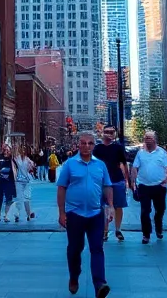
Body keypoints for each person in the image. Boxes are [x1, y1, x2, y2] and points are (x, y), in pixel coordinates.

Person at [57, 132, 113, 298]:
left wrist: (110, 206)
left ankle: (100, 284)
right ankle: (74, 276)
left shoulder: (100, 165)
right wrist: (61, 212)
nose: (87, 146)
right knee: (75, 249)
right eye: (83, 143)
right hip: (75, 214)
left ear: (94, 146)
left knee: (97, 248)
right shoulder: (70, 164)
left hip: (96, 213)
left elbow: (107, 186)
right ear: (78, 145)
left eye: (90, 143)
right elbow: (61, 188)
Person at [131, 129, 167, 243]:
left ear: (154, 140)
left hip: (159, 186)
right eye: (145, 138)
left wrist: (166, 179)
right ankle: (146, 234)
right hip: (144, 186)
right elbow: (135, 168)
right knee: (145, 211)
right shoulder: (140, 153)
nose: (147, 140)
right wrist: (133, 183)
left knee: (160, 209)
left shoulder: (162, 152)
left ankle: (158, 227)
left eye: (149, 138)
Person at [92, 127, 129, 242]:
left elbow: (124, 163)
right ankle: (104, 231)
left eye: (111, 132)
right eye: (106, 132)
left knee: (118, 206)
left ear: (115, 134)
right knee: (102, 206)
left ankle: (118, 230)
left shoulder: (118, 147)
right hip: (101, 181)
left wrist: (127, 180)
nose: (109, 134)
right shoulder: (97, 148)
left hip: (117, 180)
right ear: (102, 134)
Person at [0, 143, 18, 221]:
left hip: (8, 181)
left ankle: (6, 215)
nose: (6, 151)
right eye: (5, 150)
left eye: (8, 150)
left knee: (8, 198)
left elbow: (15, 169)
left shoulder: (12, 159)